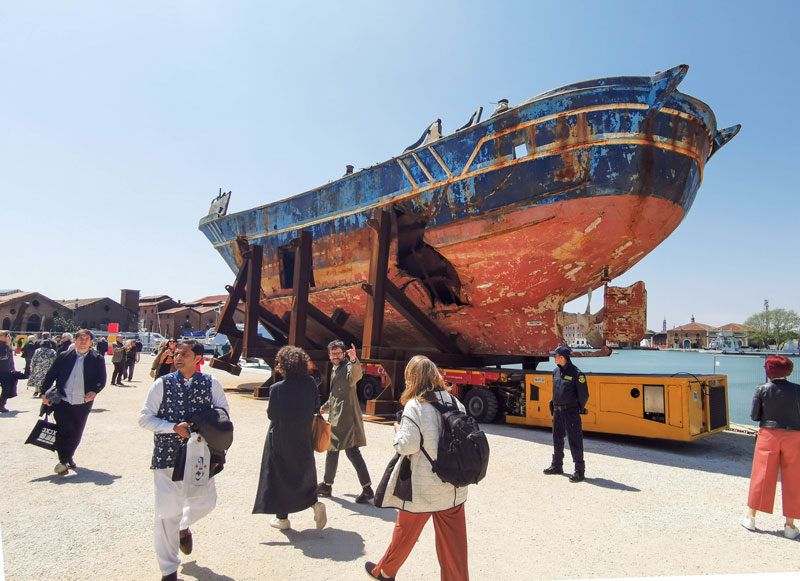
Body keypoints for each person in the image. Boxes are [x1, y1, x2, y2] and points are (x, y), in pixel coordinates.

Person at [366, 355, 470, 581]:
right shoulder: (455, 402)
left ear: (412, 378)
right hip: (453, 486)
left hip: (422, 487)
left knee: (404, 533)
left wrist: (397, 432)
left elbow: (408, 445)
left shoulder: (415, 406)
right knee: (455, 546)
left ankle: (385, 571)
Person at [138, 340, 230, 581]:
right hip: (168, 455)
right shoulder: (162, 384)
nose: (178, 358)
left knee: (206, 502)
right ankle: (168, 570)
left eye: (184, 354)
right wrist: (171, 427)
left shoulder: (211, 383)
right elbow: (145, 419)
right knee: (166, 512)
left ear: (198, 358)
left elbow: (224, 415)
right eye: (176, 354)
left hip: (201, 455)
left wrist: (208, 429)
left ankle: (183, 526)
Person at [252, 345, 327, 531]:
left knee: (279, 476)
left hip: (280, 438)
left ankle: (282, 519)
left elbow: (272, 415)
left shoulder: (277, 389)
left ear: (282, 365)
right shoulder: (310, 383)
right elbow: (316, 406)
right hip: (303, 436)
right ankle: (314, 504)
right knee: (305, 472)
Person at [740, 355, 800, 539]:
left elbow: (754, 416)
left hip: (769, 434)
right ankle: (790, 525)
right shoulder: (798, 390)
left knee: (762, 474)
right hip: (794, 435)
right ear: (789, 371)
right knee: (794, 478)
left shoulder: (762, 389)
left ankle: (751, 517)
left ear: (768, 371)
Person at [40, 329, 106, 474]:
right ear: (75, 341)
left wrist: (94, 391)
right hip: (62, 399)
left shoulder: (97, 359)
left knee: (76, 430)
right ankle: (63, 459)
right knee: (63, 429)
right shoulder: (64, 356)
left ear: (91, 342)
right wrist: (44, 392)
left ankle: (67, 456)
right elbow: (51, 375)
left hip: (82, 402)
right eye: (80, 338)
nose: (83, 341)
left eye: (86, 339)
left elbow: (101, 379)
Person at [316, 340, 373, 503]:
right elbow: (336, 394)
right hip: (340, 416)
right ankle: (366, 488)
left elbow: (355, 376)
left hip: (344, 418)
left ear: (344, 354)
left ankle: (328, 485)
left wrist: (355, 360)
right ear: (329, 355)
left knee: (338, 450)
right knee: (348, 452)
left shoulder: (348, 366)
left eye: (338, 353)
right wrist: (325, 407)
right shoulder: (336, 368)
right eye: (333, 354)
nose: (335, 356)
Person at [543, 345, 589, 483]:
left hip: (571, 412)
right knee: (557, 439)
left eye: (555, 355)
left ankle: (579, 471)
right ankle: (557, 466)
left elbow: (584, 395)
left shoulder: (577, 374)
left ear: (562, 357)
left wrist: (577, 408)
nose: (553, 357)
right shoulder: (555, 371)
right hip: (557, 411)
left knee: (574, 440)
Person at [28, 333, 58, 397]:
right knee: (45, 379)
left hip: (38, 367)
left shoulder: (38, 350)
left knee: (37, 379)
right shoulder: (52, 351)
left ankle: (36, 391)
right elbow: (54, 360)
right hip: (48, 367)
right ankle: (43, 391)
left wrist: (32, 366)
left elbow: (34, 359)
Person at [0, 332, 16, 412]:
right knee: (5, 388)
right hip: (3, 370)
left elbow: (10, 358)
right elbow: (4, 357)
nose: (8, 337)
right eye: (6, 336)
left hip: (6, 370)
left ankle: (2, 405)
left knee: (6, 388)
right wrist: (7, 345)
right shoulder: (3, 346)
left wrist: (13, 368)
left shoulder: (7, 345)